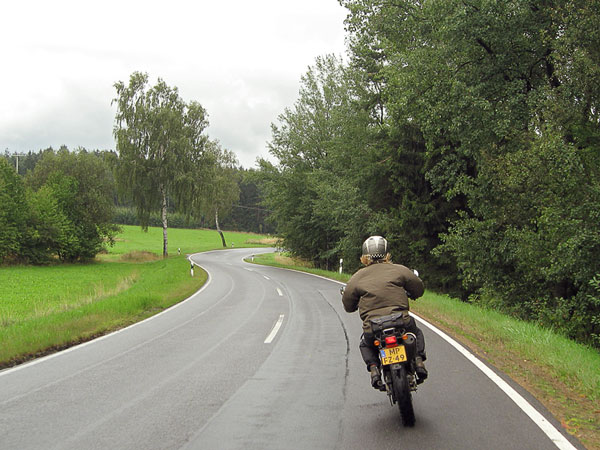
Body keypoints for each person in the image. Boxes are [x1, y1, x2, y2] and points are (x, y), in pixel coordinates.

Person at [342, 235, 428, 390]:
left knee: (365, 344)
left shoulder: (357, 277)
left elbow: (348, 305)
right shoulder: (398, 270)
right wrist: (412, 294)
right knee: (415, 332)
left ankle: (374, 370)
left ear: (364, 257)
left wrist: (355, 304)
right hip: (401, 321)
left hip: (373, 328)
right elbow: (418, 288)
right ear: (387, 253)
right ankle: (418, 359)